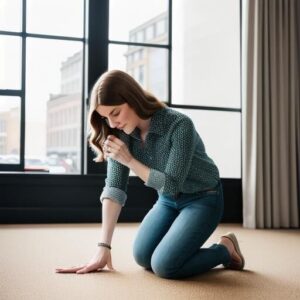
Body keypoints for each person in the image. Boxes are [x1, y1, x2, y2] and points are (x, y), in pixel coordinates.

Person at [55, 70, 245, 278]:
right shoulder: (120, 132)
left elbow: (171, 184)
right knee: (143, 257)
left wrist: (128, 160)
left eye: (116, 113)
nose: (111, 124)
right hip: (167, 201)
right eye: (105, 117)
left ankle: (224, 249)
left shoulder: (179, 125)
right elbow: (114, 188)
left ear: (133, 99)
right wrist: (104, 247)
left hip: (203, 198)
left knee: (165, 266)